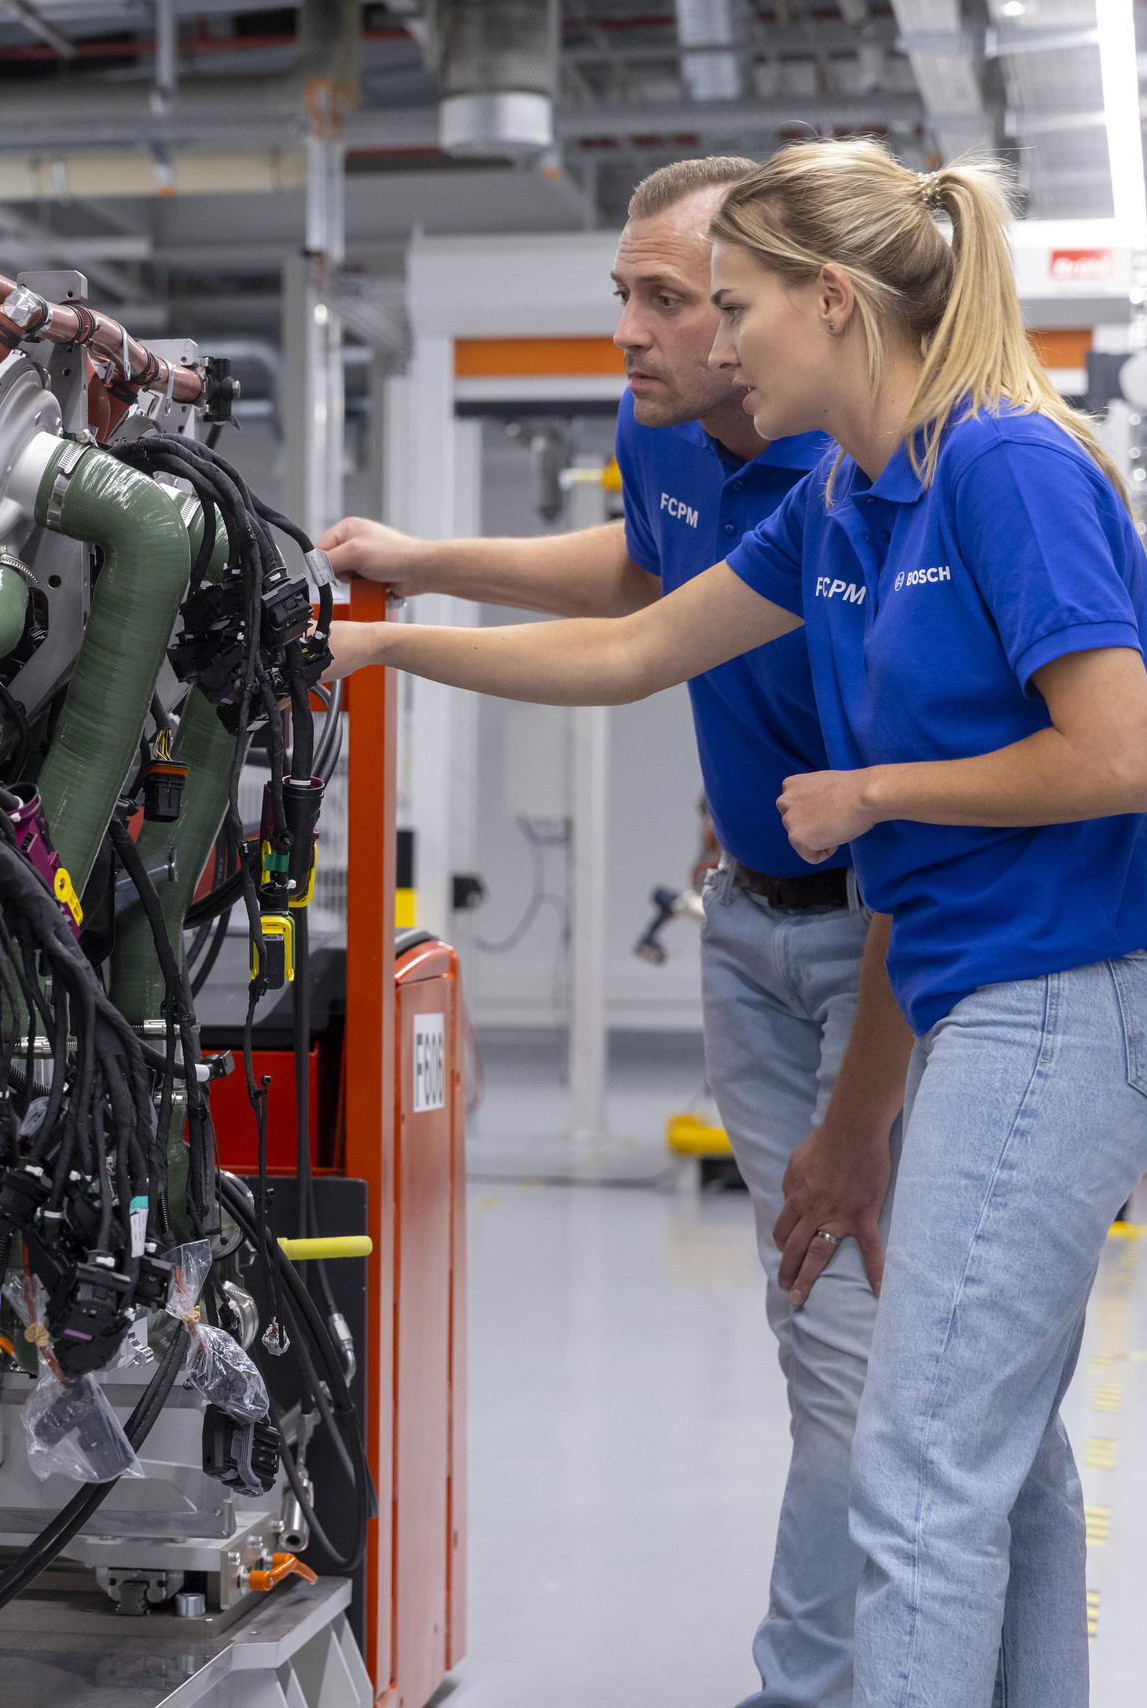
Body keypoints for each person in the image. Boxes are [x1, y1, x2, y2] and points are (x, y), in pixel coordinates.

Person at [326, 139, 1147, 1708]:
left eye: (730, 308)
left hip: (1073, 995)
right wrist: (387, 644)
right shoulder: (847, 506)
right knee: (995, 1459)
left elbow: (1124, 752)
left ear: (834, 301)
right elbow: (638, 645)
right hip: (986, 995)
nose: (715, 348)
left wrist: (876, 795)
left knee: (922, 1465)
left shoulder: (1002, 464)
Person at [320, 155, 913, 1708]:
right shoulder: (663, 427)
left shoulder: (839, 482)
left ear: (761, 312)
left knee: (869, 1371)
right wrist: (422, 566)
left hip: (886, 954)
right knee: (840, 1355)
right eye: (626, 296)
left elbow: (649, 651)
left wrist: (399, 641)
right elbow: (648, 579)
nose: (634, 331)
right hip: (749, 939)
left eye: (674, 300)